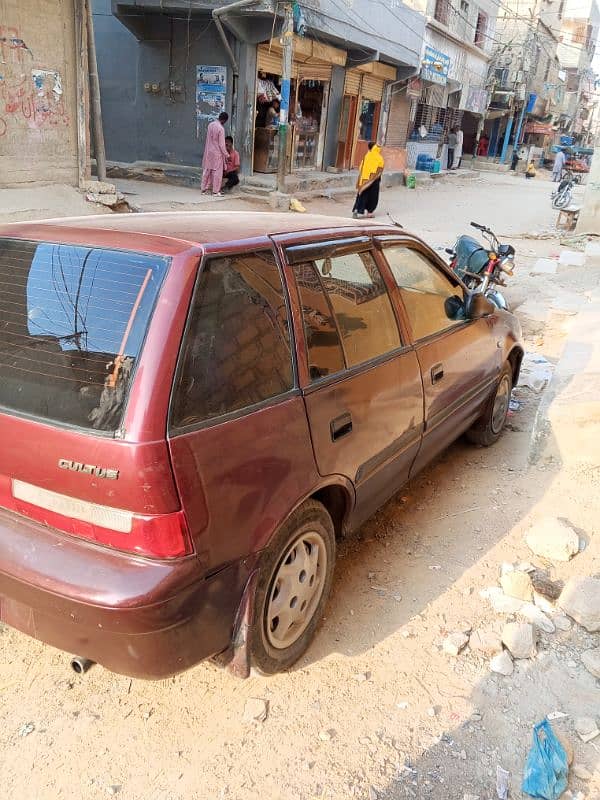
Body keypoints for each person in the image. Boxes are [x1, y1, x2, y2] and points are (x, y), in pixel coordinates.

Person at [352, 142, 384, 218]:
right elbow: (380, 168)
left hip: (364, 180)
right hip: (374, 179)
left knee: (362, 195)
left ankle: (356, 210)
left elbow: (361, 167)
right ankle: (370, 212)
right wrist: (373, 177)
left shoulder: (366, 156)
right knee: (373, 196)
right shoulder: (379, 158)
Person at [201, 112, 229, 196]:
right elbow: (221, 144)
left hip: (209, 152)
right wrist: (227, 155)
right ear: (224, 120)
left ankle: (203, 189)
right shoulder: (221, 129)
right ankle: (215, 191)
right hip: (217, 153)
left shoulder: (210, 125)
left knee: (207, 170)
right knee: (217, 172)